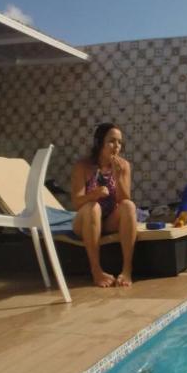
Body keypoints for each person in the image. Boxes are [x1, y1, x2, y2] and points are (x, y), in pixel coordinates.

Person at [70, 123, 137, 288]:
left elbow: (124, 199)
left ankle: (127, 270)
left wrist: (118, 175)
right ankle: (96, 270)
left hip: (108, 221)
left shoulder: (124, 166)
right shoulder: (83, 166)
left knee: (129, 206)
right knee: (94, 207)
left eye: (119, 142)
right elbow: (77, 202)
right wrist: (95, 194)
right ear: (99, 142)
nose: (117, 146)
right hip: (85, 221)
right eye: (111, 141)